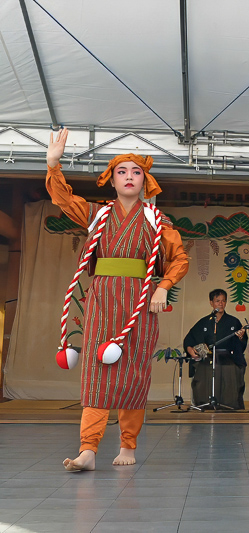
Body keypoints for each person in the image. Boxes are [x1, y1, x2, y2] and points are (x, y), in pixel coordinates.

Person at [47, 128, 189, 471]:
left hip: (139, 304)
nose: (129, 177)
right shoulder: (97, 215)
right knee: (95, 374)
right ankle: (88, 450)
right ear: (111, 180)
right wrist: (53, 166)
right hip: (102, 299)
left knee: (134, 373)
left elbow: (179, 258)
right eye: (122, 172)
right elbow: (65, 200)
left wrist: (163, 285)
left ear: (145, 181)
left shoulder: (157, 220)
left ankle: (128, 446)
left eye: (136, 172)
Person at [183, 289, 248, 410]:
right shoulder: (204, 322)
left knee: (231, 370)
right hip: (208, 357)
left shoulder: (233, 321)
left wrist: (240, 337)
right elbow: (189, 340)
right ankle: (204, 403)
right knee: (204, 370)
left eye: (223, 301)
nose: (221, 303)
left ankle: (229, 405)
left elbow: (241, 344)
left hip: (228, 357)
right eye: (217, 301)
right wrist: (191, 351)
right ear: (211, 303)